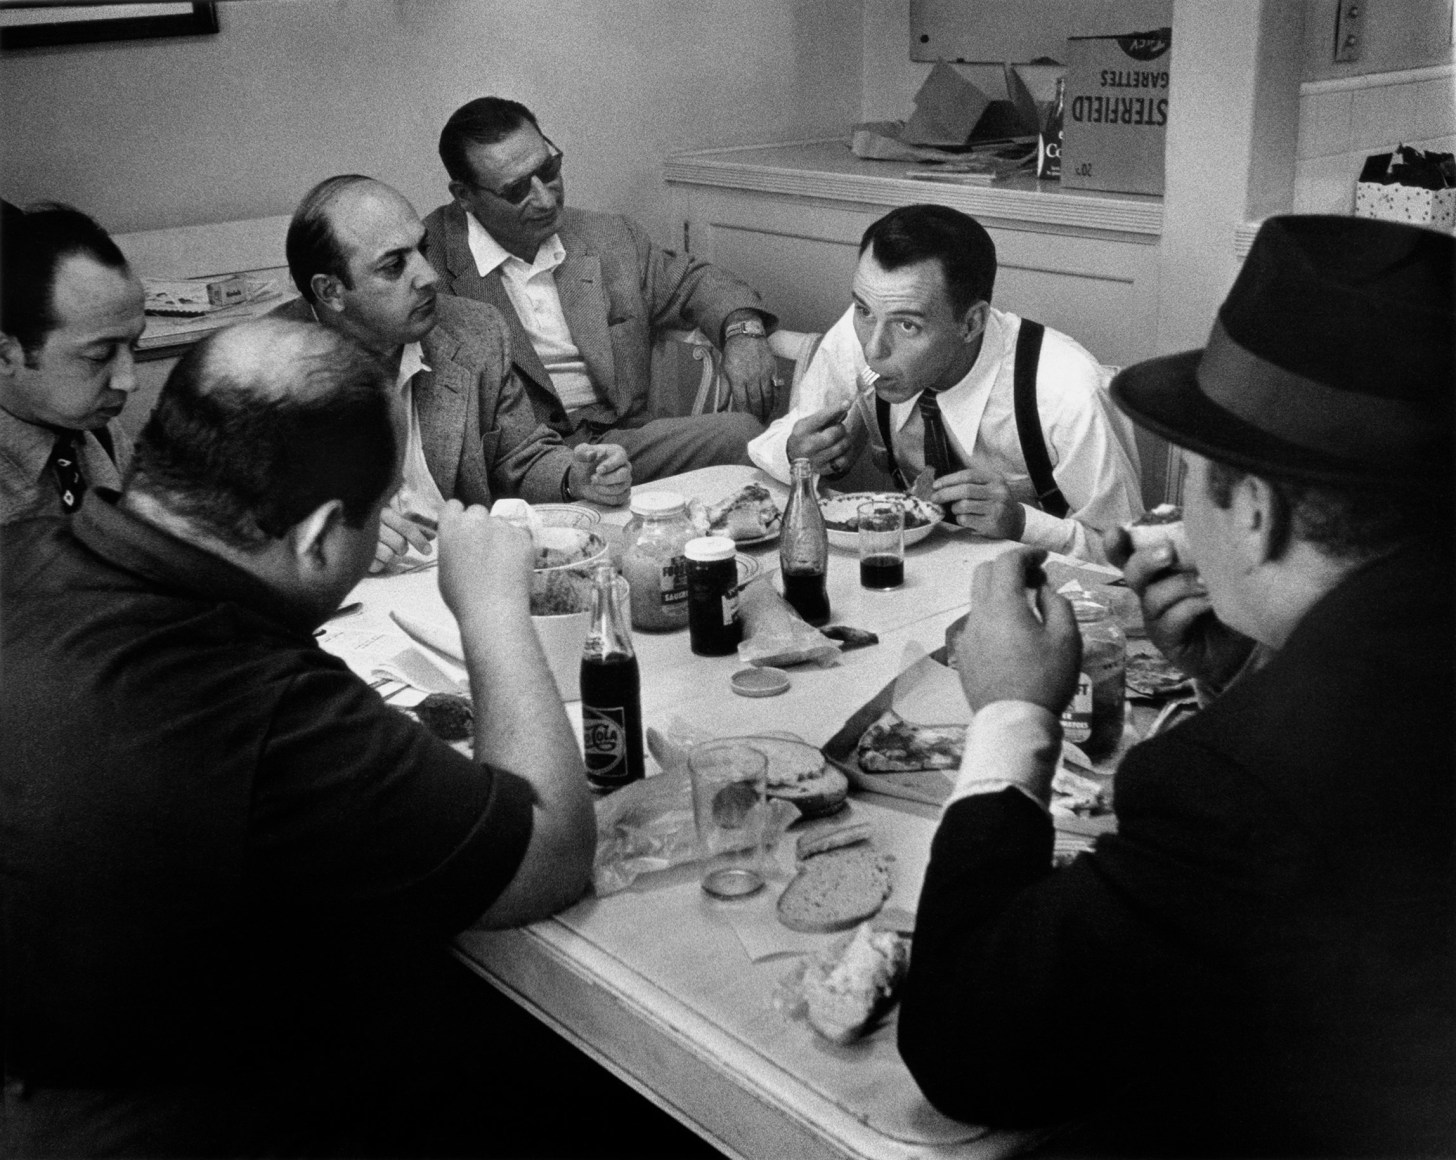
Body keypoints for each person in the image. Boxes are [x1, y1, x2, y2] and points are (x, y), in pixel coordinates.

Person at [896, 215, 1455, 1157]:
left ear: (1256, 509)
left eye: (1186, 481)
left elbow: (968, 1048)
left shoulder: (1235, 789)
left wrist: (1011, 714)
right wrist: (1245, 674)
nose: (1165, 522)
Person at [0, 316, 598, 1156]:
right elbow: (552, 855)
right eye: (380, 509)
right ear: (319, 537)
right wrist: (496, 608)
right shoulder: (256, 702)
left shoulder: (25, 550)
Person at [748, 204, 1142, 564]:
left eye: (908, 325)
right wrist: (797, 452)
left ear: (970, 323)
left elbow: (1130, 556)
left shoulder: (1068, 392)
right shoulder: (863, 336)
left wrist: (1024, 523)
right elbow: (777, 441)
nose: (873, 348)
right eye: (864, 310)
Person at [278, 174, 631, 571]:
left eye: (421, 249)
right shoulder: (259, 376)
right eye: (394, 265)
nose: (428, 276)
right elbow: (237, 524)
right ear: (330, 292)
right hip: (340, 601)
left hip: (460, 579)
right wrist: (334, 536)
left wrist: (575, 477)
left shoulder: (474, 330)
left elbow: (518, 457)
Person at [423, 96, 778, 481]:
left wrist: (744, 331)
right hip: (517, 465)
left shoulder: (608, 237)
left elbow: (694, 282)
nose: (545, 197)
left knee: (744, 437)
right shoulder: (426, 267)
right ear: (465, 196)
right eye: (516, 191)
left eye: (549, 169)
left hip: (621, 443)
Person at [0, 202, 146, 523]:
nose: (129, 380)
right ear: (6, 354)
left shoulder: (95, 428)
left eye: (134, 345)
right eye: (99, 355)